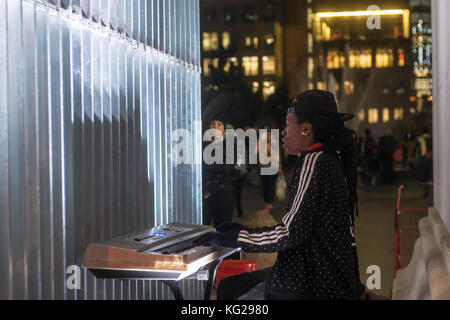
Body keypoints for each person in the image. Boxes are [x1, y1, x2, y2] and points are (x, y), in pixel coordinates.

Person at [195, 90, 364, 300]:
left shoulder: (314, 160)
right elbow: (299, 229)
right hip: (325, 277)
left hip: (313, 284)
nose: (283, 132)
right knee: (233, 285)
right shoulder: (328, 159)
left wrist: (233, 237)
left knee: (230, 288)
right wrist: (242, 231)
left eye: (288, 124)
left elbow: (287, 234)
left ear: (306, 128)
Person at [202, 113, 239, 227]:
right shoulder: (203, 145)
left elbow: (226, 169)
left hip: (224, 192)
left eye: (219, 124)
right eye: (213, 124)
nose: (216, 126)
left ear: (223, 129)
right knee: (203, 227)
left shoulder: (230, 146)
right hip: (206, 193)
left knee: (223, 229)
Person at [415, 127, 433, 197]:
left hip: (423, 159)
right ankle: (430, 184)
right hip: (430, 158)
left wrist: (413, 155)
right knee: (429, 173)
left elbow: (416, 148)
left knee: (424, 175)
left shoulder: (420, 139)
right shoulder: (431, 139)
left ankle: (426, 189)